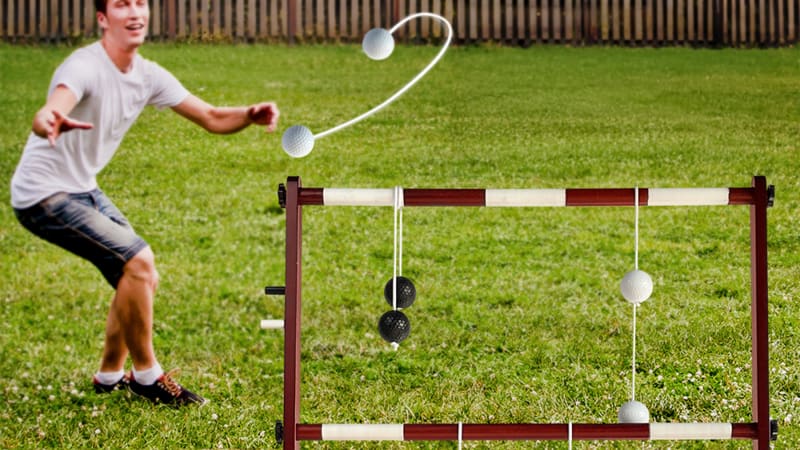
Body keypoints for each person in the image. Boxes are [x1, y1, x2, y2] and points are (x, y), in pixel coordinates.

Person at [9, 0, 280, 407]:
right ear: (103, 19)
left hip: (82, 187)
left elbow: (210, 116)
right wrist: (48, 118)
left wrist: (249, 114)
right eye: (122, 4)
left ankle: (109, 373)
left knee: (140, 276)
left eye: (140, 3)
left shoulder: (147, 75)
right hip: (42, 195)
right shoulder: (83, 66)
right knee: (138, 262)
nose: (135, 12)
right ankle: (148, 375)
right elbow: (53, 107)